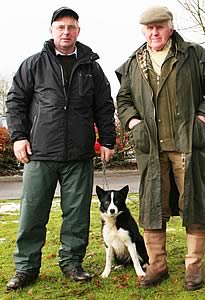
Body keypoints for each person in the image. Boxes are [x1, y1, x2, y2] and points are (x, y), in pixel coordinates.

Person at [116, 5, 205, 291]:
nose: (154, 33)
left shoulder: (195, 55)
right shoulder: (132, 63)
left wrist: (202, 119)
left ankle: (193, 267)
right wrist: (133, 124)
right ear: (143, 30)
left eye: (160, 27)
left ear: (170, 27)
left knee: (195, 204)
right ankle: (157, 265)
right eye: (149, 28)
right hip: (151, 148)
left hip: (188, 145)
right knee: (152, 205)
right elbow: (123, 100)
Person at [6, 7, 116, 290]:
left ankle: (72, 263)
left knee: (77, 215)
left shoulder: (91, 68)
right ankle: (26, 268)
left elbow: (104, 106)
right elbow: (15, 102)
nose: (65, 32)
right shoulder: (33, 64)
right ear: (51, 31)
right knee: (32, 213)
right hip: (39, 153)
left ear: (78, 31)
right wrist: (19, 136)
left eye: (71, 27)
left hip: (79, 155)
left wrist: (107, 140)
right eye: (60, 27)